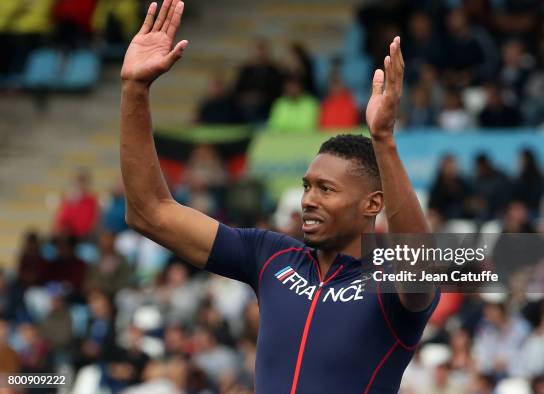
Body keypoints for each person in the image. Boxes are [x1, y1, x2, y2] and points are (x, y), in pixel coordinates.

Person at [119, 1, 439, 392]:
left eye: (326, 189)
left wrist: (384, 141)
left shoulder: (390, 279)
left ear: (373, 203)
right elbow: (149, 213)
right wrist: (134, 90)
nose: (308, 200)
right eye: (307, 186)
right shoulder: (271, 256)